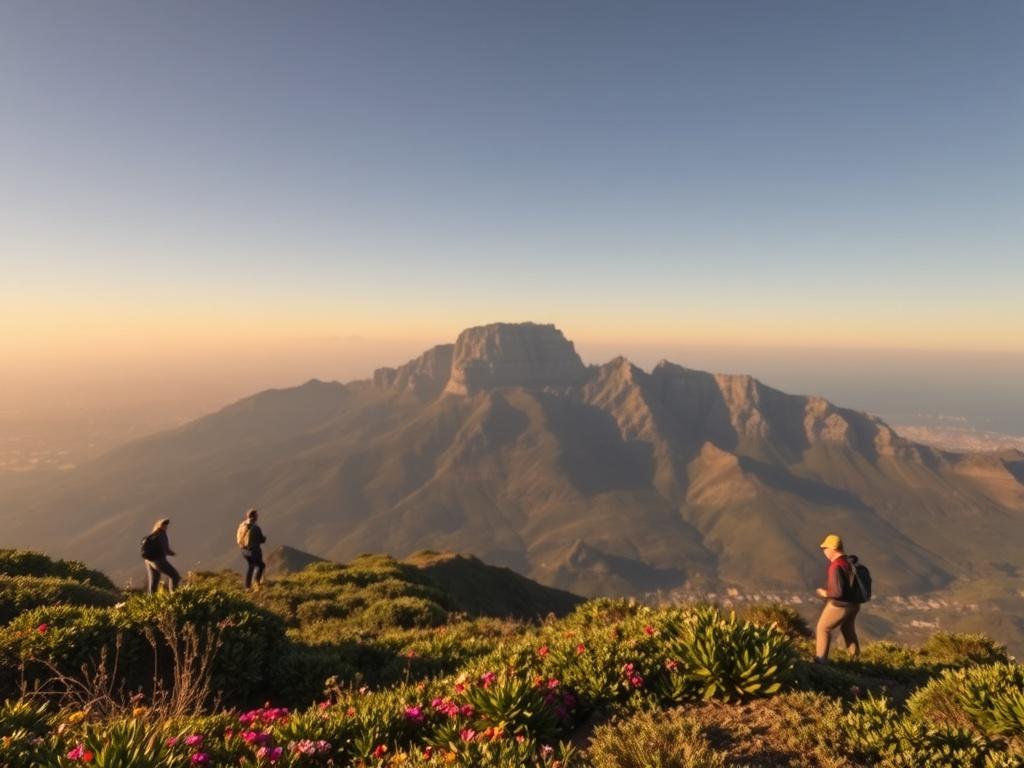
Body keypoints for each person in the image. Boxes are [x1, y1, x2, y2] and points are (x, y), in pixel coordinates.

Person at [814, 533, 861, 663]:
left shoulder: (836, 566)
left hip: (841, 605)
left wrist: (825, 593)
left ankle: (821, 661)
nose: (824, 551)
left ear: (832, 549)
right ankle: (855, 660)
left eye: (825, 548)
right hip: (855, 604)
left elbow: (838, 592)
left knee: (823, 628)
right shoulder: (849, 562)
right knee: (848, 629)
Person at [142, 518, 181, 594]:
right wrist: (173, 553)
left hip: (148, 560)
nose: (166, 526)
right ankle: (174, 595)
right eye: (164, 525)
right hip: (159, 560)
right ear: (160, 526)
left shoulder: (152, 535)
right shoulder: (161, 535)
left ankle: (151, 599)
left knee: (154, 579)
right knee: (175, 576)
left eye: (166, 525)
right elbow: (165, 549)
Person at [237, 508, 267, 590]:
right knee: (261, 565)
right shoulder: (255, 527)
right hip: (253, 550)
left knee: (251, 566)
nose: (258, 517)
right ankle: (257, 583)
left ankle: (248, 586)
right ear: (254, 516)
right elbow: (261, 539)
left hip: (244, 550)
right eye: (257, 515)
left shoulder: (242, 525)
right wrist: (264, 538)